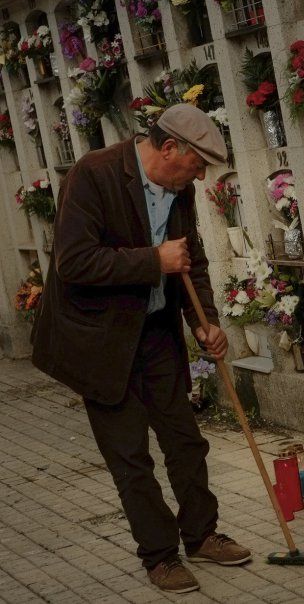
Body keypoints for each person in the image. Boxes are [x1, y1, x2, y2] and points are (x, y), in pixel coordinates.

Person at [31, 104, 251, 594]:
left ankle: (202, 534)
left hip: (155, 334)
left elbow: (190, 264)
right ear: (169, 147)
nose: (198, 176)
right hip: (99, 343)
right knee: (131, 457)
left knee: (186, 442)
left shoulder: (180, 190)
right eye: (196, 165)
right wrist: (152, 260)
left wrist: (204, 324)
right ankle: (160, 556)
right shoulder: (95, 174)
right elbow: (75, 262)